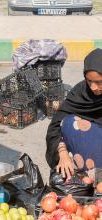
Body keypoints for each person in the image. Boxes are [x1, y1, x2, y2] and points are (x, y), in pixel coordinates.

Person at [46, 48, 102, 180]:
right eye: (89, 81)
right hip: (88, 146)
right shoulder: (80, 92)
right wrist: (62, 152)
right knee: (68, 122)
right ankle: (83, 174)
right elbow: (55, 125)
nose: (93, 87)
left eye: (99, 82)